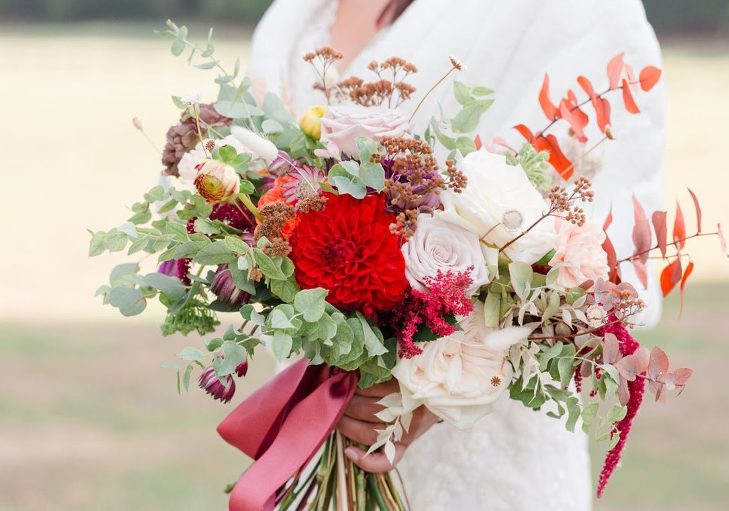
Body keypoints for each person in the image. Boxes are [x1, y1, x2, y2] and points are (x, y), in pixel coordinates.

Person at [248, 0, 666, 508]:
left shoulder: (572, 10)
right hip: (314, 425)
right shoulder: (293, 15)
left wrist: (434, 384)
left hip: (484, 449)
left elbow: (608, 241)